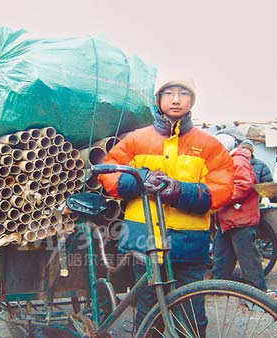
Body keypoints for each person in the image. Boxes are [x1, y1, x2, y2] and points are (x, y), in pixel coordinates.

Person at [98, 80, 235, 335]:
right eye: (169, 93)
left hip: (188, 245)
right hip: (144, 244)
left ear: (192, 101)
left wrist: (181, 191)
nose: (176, 99)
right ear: (158, 99)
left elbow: (224, 188)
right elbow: (108, 174)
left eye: (184, 94)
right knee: (148, 316)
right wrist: (141, 179)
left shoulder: (209, 145)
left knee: (192, 319)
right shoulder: (136, 140)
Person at [212, 144, 268, 291]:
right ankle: (218, 287)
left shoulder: (237, 161)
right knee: (222, 256)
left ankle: (259, 293)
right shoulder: (232, 160)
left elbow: (244, 184)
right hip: (228, 219)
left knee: (248, 258)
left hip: (240, 219)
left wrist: (222, 199)